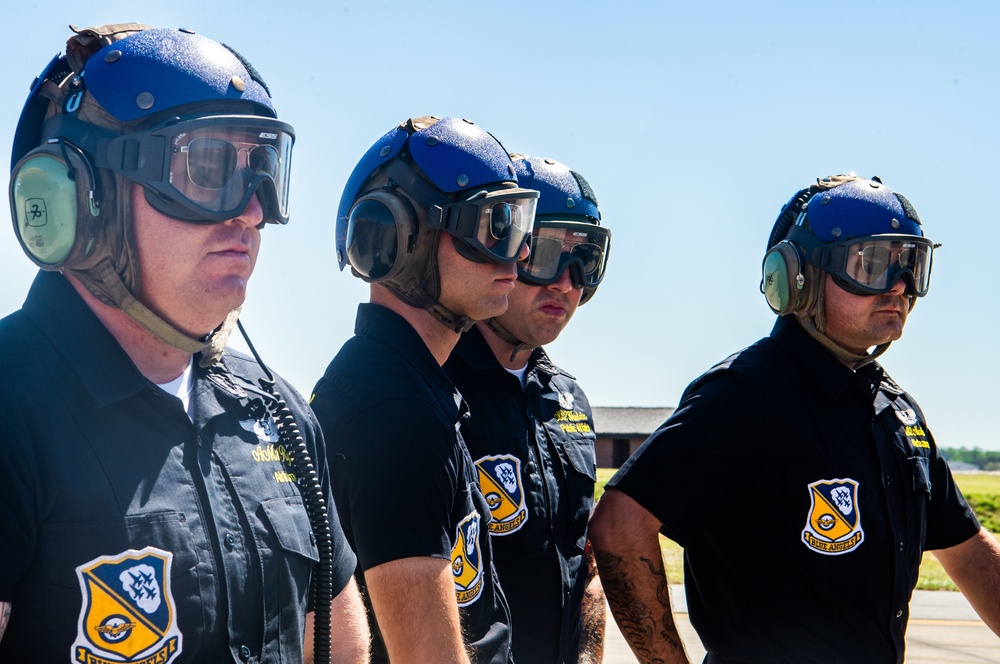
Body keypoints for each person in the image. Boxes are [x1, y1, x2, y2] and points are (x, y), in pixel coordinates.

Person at [0, 24, 368, 663]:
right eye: (207, 168)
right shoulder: (10, 407)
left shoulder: (280, 412)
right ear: (80, 197)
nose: (252, 212)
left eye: (263, 172)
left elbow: (333, 638)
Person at [589, 174, 1000, 664]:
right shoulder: (745, 395)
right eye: (870, 264)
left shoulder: (896, 410)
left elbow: (968, 552)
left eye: (910, 264)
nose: (898, 287)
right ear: (795, 276)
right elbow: (620, 524)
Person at [310, 116, 539, 664]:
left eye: (520, 227)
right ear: (398, 237)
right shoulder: (393, 414)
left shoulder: (408, 386)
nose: (521, 255)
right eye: (495, 227)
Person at [443, 154, 611, 663]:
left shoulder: (569, 399)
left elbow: (586, 564)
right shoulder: (429, 390)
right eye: (545, 255)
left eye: (585, 259)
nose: (566, 283)